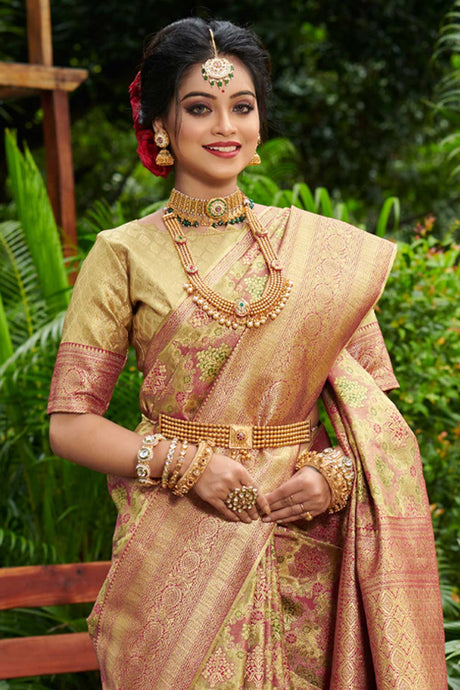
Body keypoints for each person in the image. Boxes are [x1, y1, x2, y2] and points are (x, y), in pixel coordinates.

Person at [47, 17, 447, 690]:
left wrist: (333, 476)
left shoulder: (321, 257)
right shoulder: (122, 253)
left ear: (260, 123)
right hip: (174, 542)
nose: (224, 125)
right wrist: (184, 464)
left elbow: (377, 422)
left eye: (242, 106)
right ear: (163, 128)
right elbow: (69, 424)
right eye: (199, 108)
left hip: (303, 544)